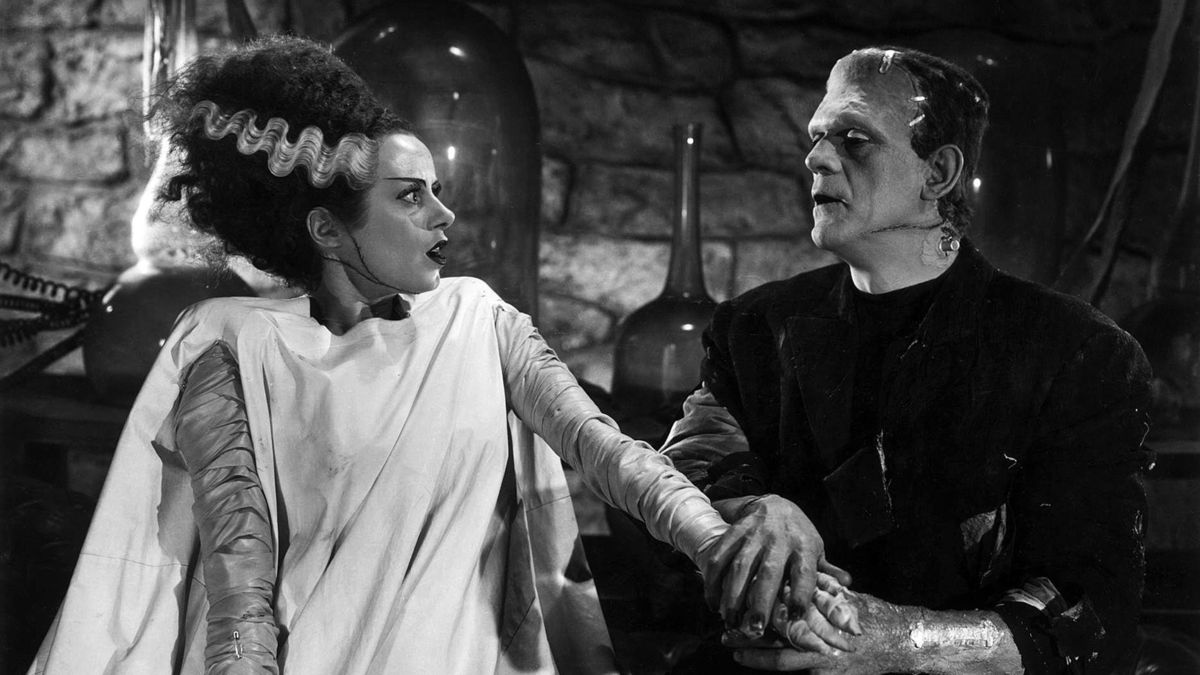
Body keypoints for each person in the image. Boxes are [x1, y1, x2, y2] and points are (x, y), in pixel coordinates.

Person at [26, 35, 801, 675]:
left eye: (436, 189)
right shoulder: (233, 339)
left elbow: (609, 452)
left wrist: (714, 542)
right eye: (410, 195)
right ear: (327, 229)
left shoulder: (478, 318)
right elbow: (239, 575)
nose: (443, 213)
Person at [664, 46, 1152, 674]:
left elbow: (1088, 614)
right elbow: (685, 467)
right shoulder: (754, 328)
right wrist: (753, 505)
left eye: (855, 139)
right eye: (817, 137)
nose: (816, 158)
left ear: (938, 172)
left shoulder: (1078, 352)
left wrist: (899, 640)